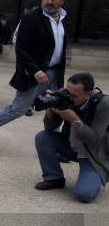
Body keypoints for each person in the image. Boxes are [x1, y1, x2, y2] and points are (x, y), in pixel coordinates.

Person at [0, 0, 68, 150]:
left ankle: (56, 147)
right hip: (35, 73)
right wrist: (35, 70)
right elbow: (21, 49)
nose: (49, 2)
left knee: (57, 107)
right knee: (18, 109)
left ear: (63, 0)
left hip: (55, 73)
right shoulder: (32, 19)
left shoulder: (63, 19)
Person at [34, 73, 109, 203]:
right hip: (72, 146)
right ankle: (54, 178)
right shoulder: (64, 95)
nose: (69, 97)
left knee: (84, 195)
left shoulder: (103, 104)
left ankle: (96, 176)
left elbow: (95, 140)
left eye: (73, 95)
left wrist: (73, 119)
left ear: (88, 93)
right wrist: (50, 110)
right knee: (43, 137)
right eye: (67, 91)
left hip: (94, 155)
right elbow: (50, 128)